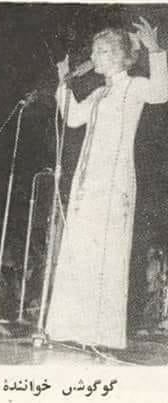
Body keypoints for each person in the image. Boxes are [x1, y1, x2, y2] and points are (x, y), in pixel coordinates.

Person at [47, 18, 168, 349]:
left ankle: (100, 334)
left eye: (102, 51)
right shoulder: (101, 92)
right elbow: (72, 118)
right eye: (95, 50)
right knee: (80, 250)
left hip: (113, 183)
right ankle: (73, 328)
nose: (95, 56)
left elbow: (162, 91)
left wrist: (155, 50)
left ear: (119, 56)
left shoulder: (134, 85)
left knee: (106, 254)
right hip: (88, 183)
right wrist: (64, 81)